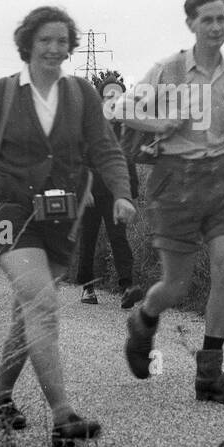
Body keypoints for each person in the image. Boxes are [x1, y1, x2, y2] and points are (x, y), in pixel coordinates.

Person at [0, 6, 136, 447]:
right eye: (45, 41)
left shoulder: (81, 95)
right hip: (10, 216)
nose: (55, 48)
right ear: (28, 45)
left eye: (62, 41)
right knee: (41, 303)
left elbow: (106, 149)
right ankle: (62, 416)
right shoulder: (2, 94)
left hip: (60, 219)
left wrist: (123, 192)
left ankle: (0, 398)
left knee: (26, 313)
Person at [119, 0, 224, 404]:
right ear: (191, 24)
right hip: (176, 181)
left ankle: (209, 373)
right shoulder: (168, 70)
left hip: (221, 178)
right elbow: (119, 109)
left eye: (222, 18)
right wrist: (158, 125)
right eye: (208, 19)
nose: (216, 27)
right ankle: (144, 319)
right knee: (176, 284)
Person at [75, 76, 144, 307]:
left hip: (116, 195)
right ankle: (87, 287)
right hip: (91, 194)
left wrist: (130, 194)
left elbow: (129, 162)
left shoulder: (126, 128)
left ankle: (127, 287)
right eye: (108, 96)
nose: (113, 100)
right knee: (89, 239)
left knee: (118, 238)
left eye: (118, 96)